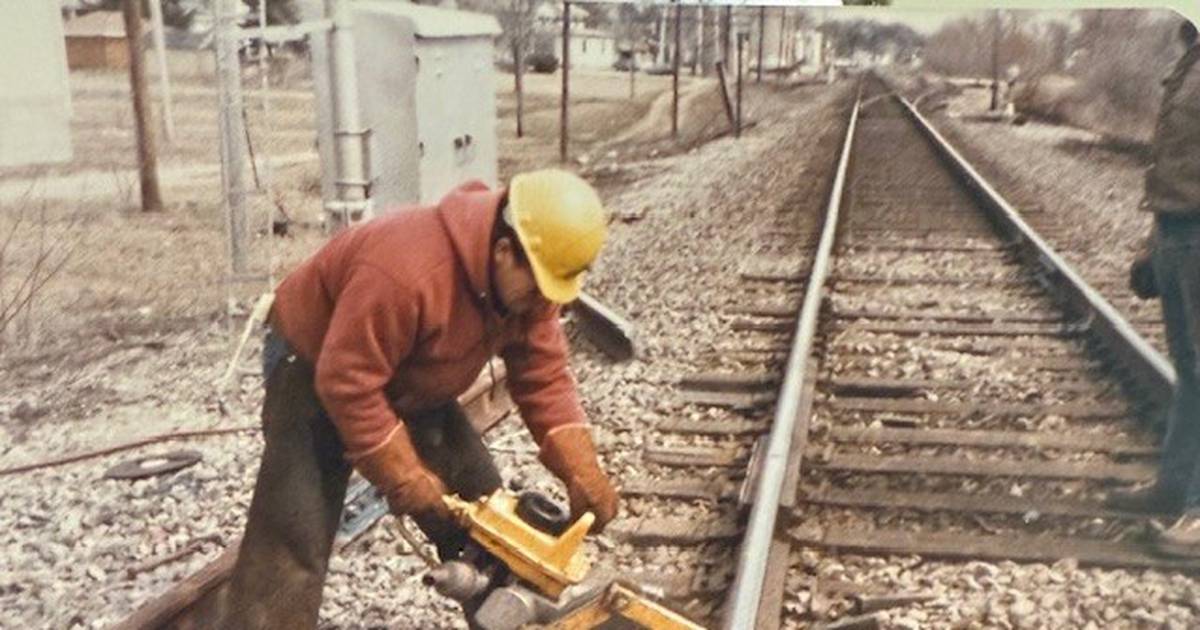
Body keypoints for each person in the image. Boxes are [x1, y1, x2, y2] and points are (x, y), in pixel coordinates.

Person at [217, 169, 620, 627]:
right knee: (292, 541)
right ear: (504, 252)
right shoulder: (407, 272)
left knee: (492, 522)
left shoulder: (529, 284)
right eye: (537, 290)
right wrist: (404, 474)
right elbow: (347, 381)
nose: (542, 303)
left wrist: (581, 469)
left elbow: (543, 375)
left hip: (408, 372)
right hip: (314, 365)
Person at [1106, 18, 1200, 558]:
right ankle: (1176, 486)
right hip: (1177, 229)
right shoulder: (1191, 55)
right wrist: (1152, 240)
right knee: (1190, 369)